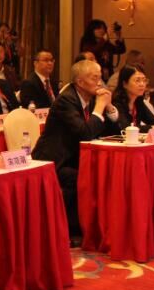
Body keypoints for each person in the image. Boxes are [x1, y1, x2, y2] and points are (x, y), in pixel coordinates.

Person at [33, 59, 119, 242]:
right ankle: (70, 230)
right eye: (94, 78)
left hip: (76, 156)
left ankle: (100, 225)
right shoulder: (67, 100)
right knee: (79, 177)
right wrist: (100, 107)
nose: (99, 83)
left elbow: (112, 131)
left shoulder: (92, 98)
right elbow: (85, 133)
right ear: (80, 81)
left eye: (100, 78)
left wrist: (109, 107)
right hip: (54, 160)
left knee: (106, 172)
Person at [112, 66, 154, 132]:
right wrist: (152, 127)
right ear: (125, 84)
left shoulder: (138, 100)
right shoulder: (116, 102)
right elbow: (127, 128)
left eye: (144, 80)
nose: (142, 84)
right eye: (137, 80)